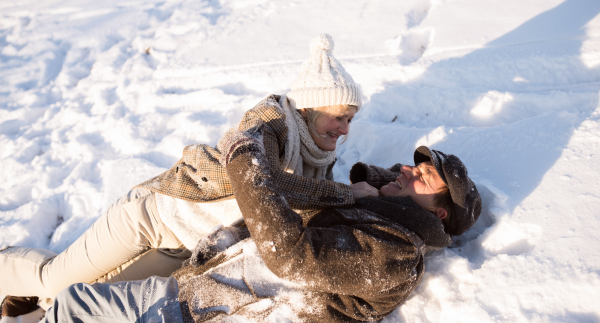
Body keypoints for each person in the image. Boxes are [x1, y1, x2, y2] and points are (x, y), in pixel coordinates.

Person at [0, 34, 379, 315]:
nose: (344, 129)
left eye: (350, 119)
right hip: (149, 218)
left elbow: (309, 206)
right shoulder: (271, 123)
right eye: (338, 117)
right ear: (310, 108)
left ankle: (20, 304)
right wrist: (346, 195)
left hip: (183, 248)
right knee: (55, 280)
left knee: (91, 294)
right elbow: (262, 182)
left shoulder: (318, 156)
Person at [33, 142, 482, 323]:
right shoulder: (369, 212)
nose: (408, 170)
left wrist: (245, 162)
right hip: (192, 293)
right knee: (71, 302)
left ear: (439, 215)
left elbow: (288, 256)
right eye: (413, 164)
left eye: (424, 177)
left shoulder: (398, 255)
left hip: (204, 313)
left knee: (73, 305)